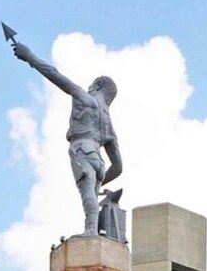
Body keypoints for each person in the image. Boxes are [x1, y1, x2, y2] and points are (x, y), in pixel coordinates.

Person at [12, 41, 123, 237]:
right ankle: (92, 229)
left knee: (87, 195)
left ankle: (90, 231)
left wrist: (29, 56)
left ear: (97, 85)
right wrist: (101, 178)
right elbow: (119, 167)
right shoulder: (108, 125)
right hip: (99, 159)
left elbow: (54, 75)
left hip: (81, 149)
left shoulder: (85, 99)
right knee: (91, 193)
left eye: (92, 84)